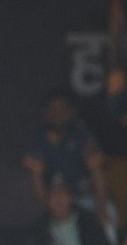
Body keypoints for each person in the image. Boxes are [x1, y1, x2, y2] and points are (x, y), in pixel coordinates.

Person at [22, 90, 113, 232]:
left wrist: (100, 206)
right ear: (45, 114)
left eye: (61, 108)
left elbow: (98, 173)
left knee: (107, 221)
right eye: (52, 109)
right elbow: (36, 180)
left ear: (71, 112)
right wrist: (49, 208)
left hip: (85, 198)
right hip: (56, 201)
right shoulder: (38, 140)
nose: (57, 113)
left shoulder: (83, 136)